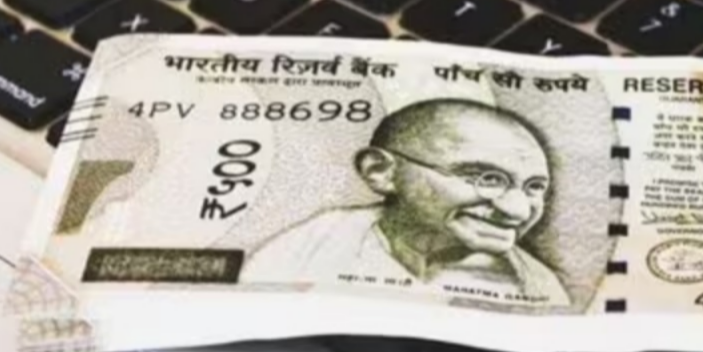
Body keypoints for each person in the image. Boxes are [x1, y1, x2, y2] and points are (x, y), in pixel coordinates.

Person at [241, 98, 571, 306]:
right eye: (484, 178)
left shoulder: (537, 287)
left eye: (534, 187)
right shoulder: (306, 248)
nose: (517, 211)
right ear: (381, 171)